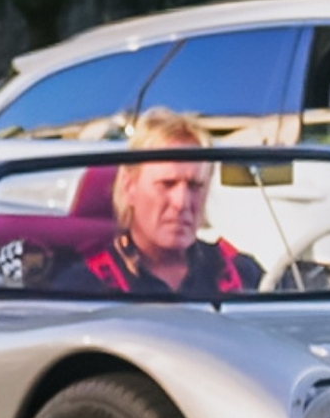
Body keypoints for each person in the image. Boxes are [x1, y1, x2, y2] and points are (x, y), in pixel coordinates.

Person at [51, 109, 261, 296]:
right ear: (129, 186)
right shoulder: (83, 287)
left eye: (195, 186)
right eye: (167, 184)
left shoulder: (241, 274)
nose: (181, 203)